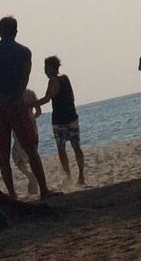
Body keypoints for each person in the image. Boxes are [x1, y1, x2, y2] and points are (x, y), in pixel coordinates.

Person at [0, 16, 51, 200]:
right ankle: (44, 189)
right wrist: (16, 96)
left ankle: (12, 195)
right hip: (17, 104)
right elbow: (25, 76)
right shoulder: (24, 52)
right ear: (16, 31)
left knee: (3, 152)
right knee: (30, 148)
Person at [39, 55, 85, 186]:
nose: (45, 71)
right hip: (71, 115)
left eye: (46, 68)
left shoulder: (54, 80)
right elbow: (72, 97)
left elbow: (47, 98)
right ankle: (80, 175)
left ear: (53, 68)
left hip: (60, 119)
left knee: (62, 148)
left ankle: (70, 176)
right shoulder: (66, 78)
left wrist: (29, 105)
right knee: (76, 146)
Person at [11, 88, 42, 196]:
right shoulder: (30, 93)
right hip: (30, 128)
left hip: (23, 129)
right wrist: (31, 118)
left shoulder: (17, 94)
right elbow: (38, 111)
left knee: (21, 158)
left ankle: (32, 178)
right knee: (26, 157)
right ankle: (32, 177)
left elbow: (38, 111)